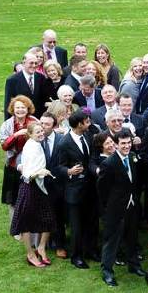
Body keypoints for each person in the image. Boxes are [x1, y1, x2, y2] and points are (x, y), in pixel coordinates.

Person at [96, 130, 146, 287]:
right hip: (115, 209)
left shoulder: (132, 157)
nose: (126, 146)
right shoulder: (108, 163)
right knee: (112, 241)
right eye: (123, 143)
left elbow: (135, 182)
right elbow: (102, 189)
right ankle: (107, 272)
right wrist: (109, 207)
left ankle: (134, 266)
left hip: (132, 205)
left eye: (128, 143)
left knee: (132, 237)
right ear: (116, 145)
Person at [10, 122, 57, 268]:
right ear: (29, 134)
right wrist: (39, 172)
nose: (41, 133)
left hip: (40, 187)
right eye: (37, 132)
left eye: (42, 130)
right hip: (30, 188)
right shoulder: (30, 147)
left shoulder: (37, 144)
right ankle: (30, 254)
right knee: (26, 221)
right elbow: (26, 173)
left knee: (48, 218)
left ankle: (41, 248)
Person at [53, 110, 96, 269]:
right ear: (79, 124)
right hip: (74, 191)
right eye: (86, 121)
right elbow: (58, 167)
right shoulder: (64, 143)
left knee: (91, 222)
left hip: (89, 188)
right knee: (77, 226)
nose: (89, 123)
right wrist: (69, 171)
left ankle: (90, 250)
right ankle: (76, 256)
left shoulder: (87, 136)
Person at [0, 95, 39, 221]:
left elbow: (40, 139)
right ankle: (15, 225)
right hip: (13, 165)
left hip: (31, 163)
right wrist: (16, 135)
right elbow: (4, 146)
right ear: (13, 109)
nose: (20, 110)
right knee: (13, 198)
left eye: (23, 107)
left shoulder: (34, 122)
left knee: (31, 195)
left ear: (28, 109)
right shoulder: (7, 125)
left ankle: (31, 222)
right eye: (17, 107)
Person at [4, 52, 51, 118]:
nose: (34, 65)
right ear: (24, 63)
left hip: (38, 119)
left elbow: (45, 100)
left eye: (36, 63)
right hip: (20, 118)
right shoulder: (12, 80)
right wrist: (8, 124)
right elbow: (8, 103)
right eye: (31, 63)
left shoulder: (41, 78)